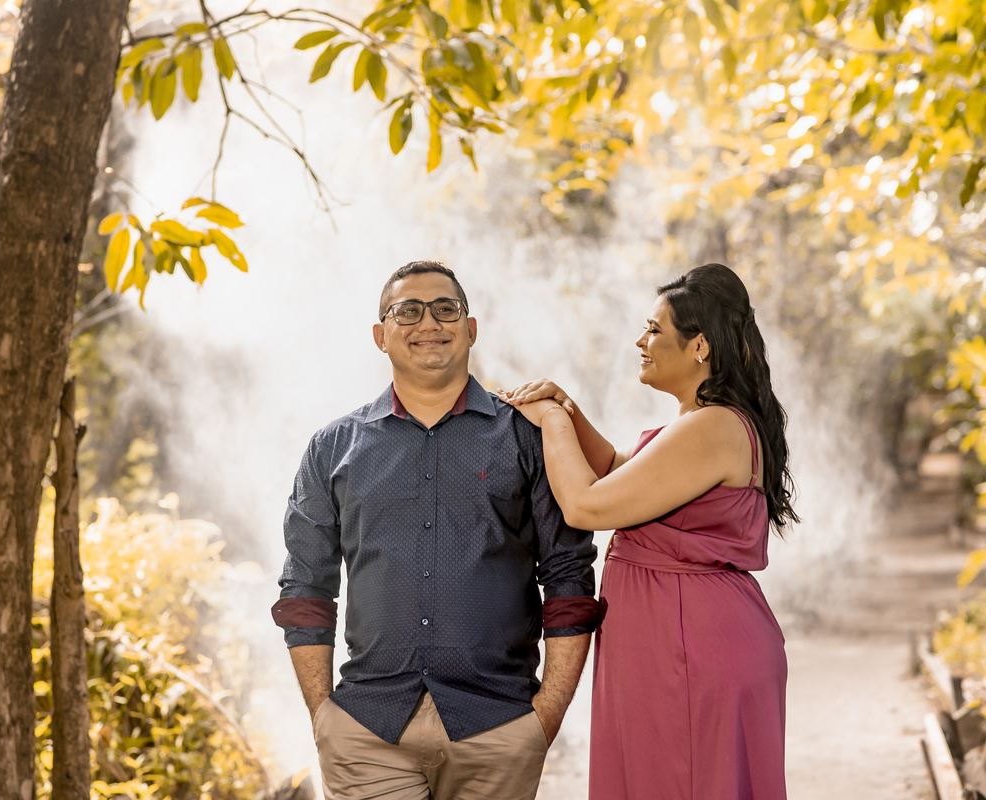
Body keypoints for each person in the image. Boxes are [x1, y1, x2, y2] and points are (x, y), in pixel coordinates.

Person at [272, 260, 605, 800]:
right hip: (368, 730)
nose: (428, 323)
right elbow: (306, 587)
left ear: (470, 329)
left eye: (445, 309)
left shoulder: (526, 436)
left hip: (498, 726)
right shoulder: (333, 447)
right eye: (407, 311)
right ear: (381, 336)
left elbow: (569, 577)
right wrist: (324, 715)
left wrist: (545, 716)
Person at [501, 262, 795, 800]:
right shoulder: (701, 424)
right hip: (676, 641)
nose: (641, 341)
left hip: (689, 649)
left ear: (699, 346)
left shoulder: (713, 426)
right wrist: (569, 408)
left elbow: (586, 505)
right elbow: (617, 470)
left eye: (655, 330)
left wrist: (553, 422)